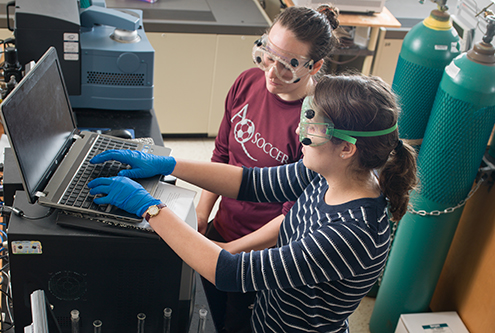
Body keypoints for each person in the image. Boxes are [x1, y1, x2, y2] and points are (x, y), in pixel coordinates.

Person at [87, 73, 419, 333]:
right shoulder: (332, 172)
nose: (301, 132)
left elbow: (229, 273)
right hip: (268, 316)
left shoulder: (351, 232)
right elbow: (252, 183)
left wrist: (150, 208)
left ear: (348, 148)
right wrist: (169, 165)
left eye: (314, 127)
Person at [195, 5, 341, 331]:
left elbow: (293, 214)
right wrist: (202, 215)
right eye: (266, 55)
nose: (271, 72)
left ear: (314, 66)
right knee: (206, 312)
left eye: (287, 65)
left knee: (237, 323)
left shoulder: (315, 123)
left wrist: (230, 255)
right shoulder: (247, 82)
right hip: (223, 230)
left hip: (260, 253)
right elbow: (221, 156)